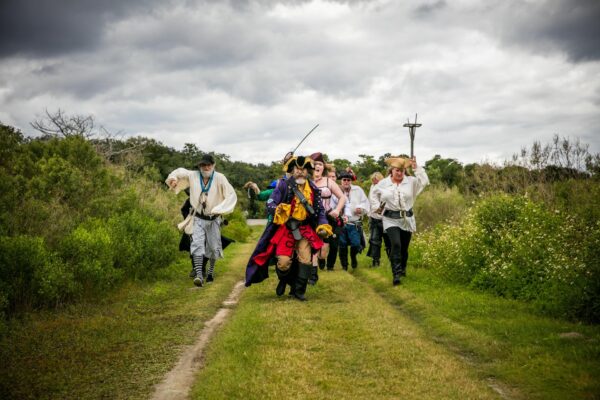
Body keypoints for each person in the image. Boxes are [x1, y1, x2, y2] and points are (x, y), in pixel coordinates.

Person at [244, 155, 332, 301]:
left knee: (305, 260)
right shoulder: (283, 185)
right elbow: (270, 203)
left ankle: (298, 291)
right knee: (284, 263)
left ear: (308, 171)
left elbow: (320, 211)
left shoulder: (313, 188)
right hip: (286, 229)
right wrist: (278, 209)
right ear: (292, 169)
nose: (300, 172)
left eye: (304, 169)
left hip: (305, 230)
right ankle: (285, 280)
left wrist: (323, 225)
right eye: (298, 169)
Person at [166, 154, 237, 287]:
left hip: (214, 218)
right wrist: (173, 179)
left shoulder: (220, 178)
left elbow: (231, 195)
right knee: (197, 245)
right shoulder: (193, 175)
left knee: (213, 247)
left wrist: (220, 209)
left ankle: (210, 272)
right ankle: (199, 275)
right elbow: (180, 171)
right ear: (199, 166)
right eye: (203, 165)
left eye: (208, 165)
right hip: (198, 218)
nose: (206, 167)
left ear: (213, 165)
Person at [372, 156, 429, 285]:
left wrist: (416, 168)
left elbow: (424, 182)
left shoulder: (411, 182)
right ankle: (396, 274)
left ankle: (402, 268)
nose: (399, 173)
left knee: (404, 248)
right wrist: (377, 207)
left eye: (402, 170)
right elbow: (374, 194)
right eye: (397, 170)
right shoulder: (383, 183)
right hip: (390, 219)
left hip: (406, 219)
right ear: (391, 170)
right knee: (395, 245)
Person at [308, 152, 347, 283]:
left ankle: (321, 259)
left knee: (323, 251)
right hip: (310, 218)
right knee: (312, 246)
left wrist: (337, 210)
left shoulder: (329, 181)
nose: (317, 166)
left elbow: (342, 197)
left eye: (320, 164)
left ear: (323, 167)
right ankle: (313, 275)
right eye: (315, 164)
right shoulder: (306, 181)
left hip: (326, 217)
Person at [338, 170, 370, 270]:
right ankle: (344, 265)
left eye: (348, 180)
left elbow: (365, 202)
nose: (346, 182)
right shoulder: (337, 190)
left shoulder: (358, 190)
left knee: (356, 244)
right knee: (342, 245)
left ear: (351, 181)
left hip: (354, 222)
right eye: (344, 180)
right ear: (341, 181)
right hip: (340, 223)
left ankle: (353, 257)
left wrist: (361, 209)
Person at [366, 171, 390, 267]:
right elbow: (370, 201)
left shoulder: (385, 188)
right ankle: (375, 262)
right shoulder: (372, 187)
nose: (375, 182)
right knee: (375, 241)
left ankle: (392, 261)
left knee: (389, 241)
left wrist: (380, 210)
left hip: (385, 218)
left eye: (377, 180)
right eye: (374, 181)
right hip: (374, 218)